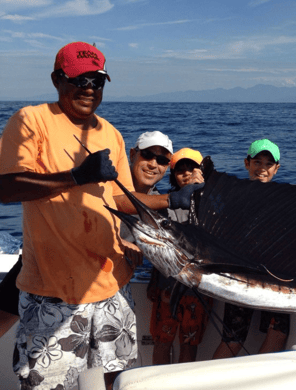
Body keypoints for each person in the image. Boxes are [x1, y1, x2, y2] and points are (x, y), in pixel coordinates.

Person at [0, 42, 201, 390]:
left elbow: (122, 199)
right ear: (56, 79)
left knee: (114, 377)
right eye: (79, 79)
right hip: (55, 290)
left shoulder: (111, 134)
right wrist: (75, 176)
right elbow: (6, 188)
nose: (89, 88)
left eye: (97, 80)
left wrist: (171, 200)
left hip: (112, 285)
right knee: (45, 384)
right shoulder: (31, 120)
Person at [213, 139, 290, 359]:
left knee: (278, 334)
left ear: (277, 168)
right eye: (257, 162)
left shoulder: (285, 202)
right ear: (247, 163)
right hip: (241, 275)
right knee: (233, 340)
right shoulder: (232, 197)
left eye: (268, 163)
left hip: (276, 276)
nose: (262, 168)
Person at [147, 148, 213, 365]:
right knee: (162, 341)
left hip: (198, 290)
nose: (186, 174)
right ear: (173, 175)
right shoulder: (165, 204)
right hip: (166, 288)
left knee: (189, 343)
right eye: (180, 170)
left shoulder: (212, 204)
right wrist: (152, 282)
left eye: (191, 168)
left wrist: (200, 189)